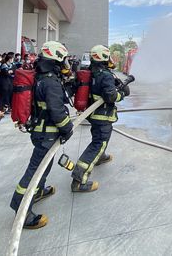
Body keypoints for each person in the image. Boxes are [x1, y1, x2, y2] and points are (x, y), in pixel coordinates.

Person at [9, 41, 73, 230]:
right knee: (36, 169)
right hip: (47, 132)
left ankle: (38, 191)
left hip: (40, 130)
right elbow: (57, 111)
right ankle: (21, 208)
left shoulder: (41, 76)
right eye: (62, 60)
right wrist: (67, 128)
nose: (65, 64)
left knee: (44, 166)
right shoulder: (51, 81)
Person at [71, 45, 129, 193]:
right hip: (103, 115)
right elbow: (110, 96)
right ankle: (79, 180)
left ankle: (100, 157)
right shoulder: (105, 75)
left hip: (93, 115)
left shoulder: (90, 72)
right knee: (98, 143)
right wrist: (122, 94)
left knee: (98, 138)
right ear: (104, 57)